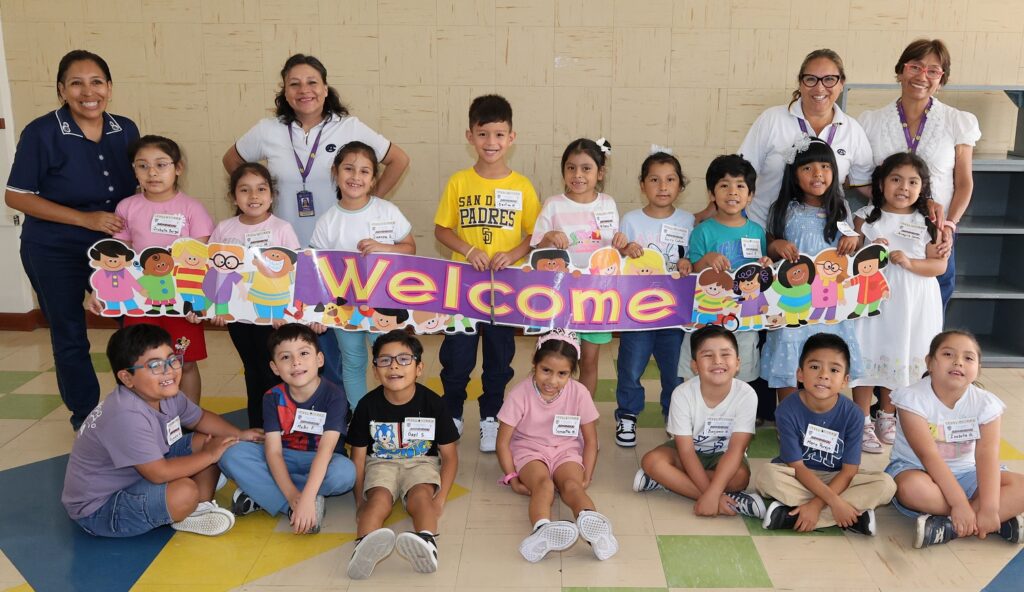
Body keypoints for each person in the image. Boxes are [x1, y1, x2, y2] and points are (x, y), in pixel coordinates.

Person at [223, 53, 408, 388]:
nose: (303, 90)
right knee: (296, 340)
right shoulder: (268, 130)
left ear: (325, 89)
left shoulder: (348, 126)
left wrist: (370, 200)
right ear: (284, 90)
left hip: (335, 252)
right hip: (284, 252)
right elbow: (233, 160)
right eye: (294, 83)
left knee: (337, 340)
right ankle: (303, 413)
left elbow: (398, 159)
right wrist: (256, 203)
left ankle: (339, 414)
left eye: (312, 82)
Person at [5, 50, 140, 430]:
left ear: (109, 87)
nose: (88, 91)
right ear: (62, 90)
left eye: (96, 81)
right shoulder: (41, 132)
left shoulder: (125, 128)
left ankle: (135, 409)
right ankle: (86, 419)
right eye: (76, 83)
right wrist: (85, 219)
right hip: (53, 248)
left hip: (112, 248)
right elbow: (16, 196)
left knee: (132, 327)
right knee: (70, 335)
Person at [61, 324, 264, 537]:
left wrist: (238, 435)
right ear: (127, 378)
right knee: (186, 488)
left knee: (210, 440)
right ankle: (184, 505)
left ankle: (197, 508)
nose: (168, 370)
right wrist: (209, 455)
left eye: (171, 359)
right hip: (100, 508)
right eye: (155, 365)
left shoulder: (166, 394)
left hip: (138, 475)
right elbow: (159, 474)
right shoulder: (126, 415)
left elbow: (200, 418)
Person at [433, 94, 541, 451]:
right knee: (457, 357)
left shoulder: (522, 186)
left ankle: (492, 416)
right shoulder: (458, 183)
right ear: (470, 136)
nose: (490, 143)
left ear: (511, 138)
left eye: (499, 135)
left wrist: (510, 255)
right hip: (462, 290)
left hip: (504, 292)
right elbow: (442, 230)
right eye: (483, 134)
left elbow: (533, 236)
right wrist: (469, 250)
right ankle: (452, 413)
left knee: (499, 357)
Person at [858, 39, 979, 308]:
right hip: (883, 227)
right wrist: (900, 202)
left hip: (936, 230)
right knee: (877, 304)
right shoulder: (870, 121)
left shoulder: (958, 121)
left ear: (941, 79)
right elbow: (858, 180)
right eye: (915, 67)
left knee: (932, 302)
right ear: (900, 71)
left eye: (933, 70)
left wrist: (948, 226)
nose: (922, 76)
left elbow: (963, 183)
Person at [95, 135, 213, 405]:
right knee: (142, 362)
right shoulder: (126, 207)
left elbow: (199, 260)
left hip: (182, 303)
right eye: (142, 166)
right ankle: (148, 419)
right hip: (140, 302)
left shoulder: (192, 208)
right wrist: (101, 290)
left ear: (178, 168)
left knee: (185, 361)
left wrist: (200, 302)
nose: (152, 173)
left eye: (161, 165)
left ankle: (188, 420)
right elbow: (118, 258)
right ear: (133, 170)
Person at [884, 330, 1024, 548]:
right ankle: (986, 521)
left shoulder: (986, 404)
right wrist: (960, 504)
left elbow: (987, 455)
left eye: (968, 358)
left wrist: (989, 508)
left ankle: (949, 527)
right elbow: (928, 455)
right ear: (929, 362)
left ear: (977, 370)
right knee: (911, 489)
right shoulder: (912, 399)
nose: (958, 362)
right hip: (920, 471)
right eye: (948, 354)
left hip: (968, 473)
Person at [218, 323, 356, 535]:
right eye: (285, 357)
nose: (296, 363)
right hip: (284, 457)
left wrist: (305, 496)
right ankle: (292, 507)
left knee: (346, 473)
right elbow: (272, 452)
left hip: (320, 459)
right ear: (274, 368)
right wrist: (293, 497)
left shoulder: (335, 395)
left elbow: (326, 451)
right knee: (230, 454)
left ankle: (264, 494)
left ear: (320, 359)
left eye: (303, 353)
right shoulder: (272, 396)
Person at [851, 152, 947, 454]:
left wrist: (909, 263)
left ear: (923, 187)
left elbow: (938, 267)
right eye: (895, 179)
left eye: (912, 181)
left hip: (913, 301)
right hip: (873, 298)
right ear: (881, 183)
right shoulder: (865, 217)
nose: (903, 187)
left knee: (900, 353)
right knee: (867, 351)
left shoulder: (929, 221)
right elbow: (849, 257)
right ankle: (861, 418)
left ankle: (887, 415)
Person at [344, 330, 460, 579]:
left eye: (404, 359)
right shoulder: (366, 405)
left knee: (421, 499)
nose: (394, 366)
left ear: (419, 368)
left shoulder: (433, 404)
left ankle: (427, 542)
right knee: (378, 502)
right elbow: (359, 457)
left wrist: (440, 501)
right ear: (375, 370)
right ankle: (363, 547)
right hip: (381, 463)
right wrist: (358, 502)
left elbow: (450, 456)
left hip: (421, 462)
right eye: (385, 360)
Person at [496, 329, 618, 563]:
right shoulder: (519, 393)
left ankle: (595, 531)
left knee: (573, 485)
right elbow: (503, 441)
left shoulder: (580, 392)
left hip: (566, 449)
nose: (552, 381)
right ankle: (542, 530)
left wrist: (587, 477)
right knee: (544, 485)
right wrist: (511, 477)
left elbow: (591, 440)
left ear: (572, 372)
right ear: (535, 363)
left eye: (562, 374)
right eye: (546, 371)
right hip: (529, 450)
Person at [309, 141, 415, 409]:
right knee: (353, 362)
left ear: (373, 179)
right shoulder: (327, 221)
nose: (356, 177)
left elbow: (410, 249)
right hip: (345, 307)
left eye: (365, 171)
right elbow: (315, 271)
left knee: (391, 358)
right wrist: (317, 313)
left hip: (385, 302)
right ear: (335, 172)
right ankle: (359, 415)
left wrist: (384, 248)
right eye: (348, 168)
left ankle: (394, 411)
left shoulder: (387, 211)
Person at [755, 333, 896, 534]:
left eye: (834, 369)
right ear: (800, 374)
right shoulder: (786, 410)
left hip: (837, 478)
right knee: (766, 476)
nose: (824, 375)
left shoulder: (854, 414)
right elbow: (797, 467)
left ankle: (792, 515)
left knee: (886, 485)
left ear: (845, 380)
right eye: (814, 367)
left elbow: (849, 471)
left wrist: (816, 504)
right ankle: (850, 516)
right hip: (797, 476)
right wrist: (833, 502)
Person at [761, 138, 863, 402]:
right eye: (807, 168)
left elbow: (852, 246)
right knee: (789, 352)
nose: (818, 173)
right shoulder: (784, 209)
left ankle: (823, 411)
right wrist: (777, 245)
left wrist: (853, 240)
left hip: (829, 300)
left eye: (825, 166)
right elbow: (770, 246)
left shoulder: (841, 209)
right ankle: (788, 415)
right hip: (793, 299)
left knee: (827, 355)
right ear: (794, 175)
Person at [633, 326, 765, 520]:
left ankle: (669, 481)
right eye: (708, 355)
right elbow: (685, 451)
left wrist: (711, 494)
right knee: (651, 461)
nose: (717, 361)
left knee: (740, 478)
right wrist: (712, 496)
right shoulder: (682, 394)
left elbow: (736, 450)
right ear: (694, 365)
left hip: (724, 455)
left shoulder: (747, 395)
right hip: (688, 452)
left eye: (725, 354)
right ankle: (724, 501)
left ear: (737, 363)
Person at [531, 137, 626, 400]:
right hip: (560, 296)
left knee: (590, 362)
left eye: (586, 168)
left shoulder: (608, 203)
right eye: (571, 167)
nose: (578, 175)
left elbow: (612, 251)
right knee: (555, 361)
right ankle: (548, 409)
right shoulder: (553, 204)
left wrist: (620, 243)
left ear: (600, 173)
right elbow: (535, 247)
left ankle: (581, 416)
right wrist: (548, 237)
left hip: (597, 297)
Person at [208, 162, 301, 428]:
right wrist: (216, 309)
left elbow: (293, 273)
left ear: (271, 195)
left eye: (261, 189)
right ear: (233, 196)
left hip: (272, 316)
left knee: (273, 371)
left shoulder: (282, 228)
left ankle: (284, 426)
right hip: (238, 318)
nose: (254, 196)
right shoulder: (224, 229)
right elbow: (213, 271)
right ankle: (258, 427)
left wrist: (285, 313)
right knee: (252, 370)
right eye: (245, 190)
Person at [737, 49, 873, 228]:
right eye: (811, 79)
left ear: (841, 84)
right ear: (800, 83)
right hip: (765, 231)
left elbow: (864, 184)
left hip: (828, 239)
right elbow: (739, 173)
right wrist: (714, 211)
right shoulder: (772, 119)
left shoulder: (853, 130)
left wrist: (905, 200)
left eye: (829, 79)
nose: (820, 87)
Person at [614, 149, 694, 447]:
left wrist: (689, 263)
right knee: (631, 367)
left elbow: (692, 258)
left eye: (670, 180)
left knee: (674, 370)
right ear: (642, 184)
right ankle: (627, 415)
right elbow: (618, 257)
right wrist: (625, 249)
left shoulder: (688, 221)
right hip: (637, 312)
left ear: (680, 186)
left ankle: (673, 416)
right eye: (655, 180)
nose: (663, 187)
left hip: (674, 312)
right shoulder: (631, 219)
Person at [679, 155, 772, 388]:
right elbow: (693, 273)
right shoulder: (702, 231)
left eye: (740, 186)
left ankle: (737, 418)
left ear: (750, 195)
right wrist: (706, 260)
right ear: (711, 194)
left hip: (744, 316)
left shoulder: (756, 231)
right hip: (708, 315)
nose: (733, 192)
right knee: (702, 370)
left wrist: (766, 265)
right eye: (724, 186)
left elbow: (758, 274)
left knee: (742, 372)